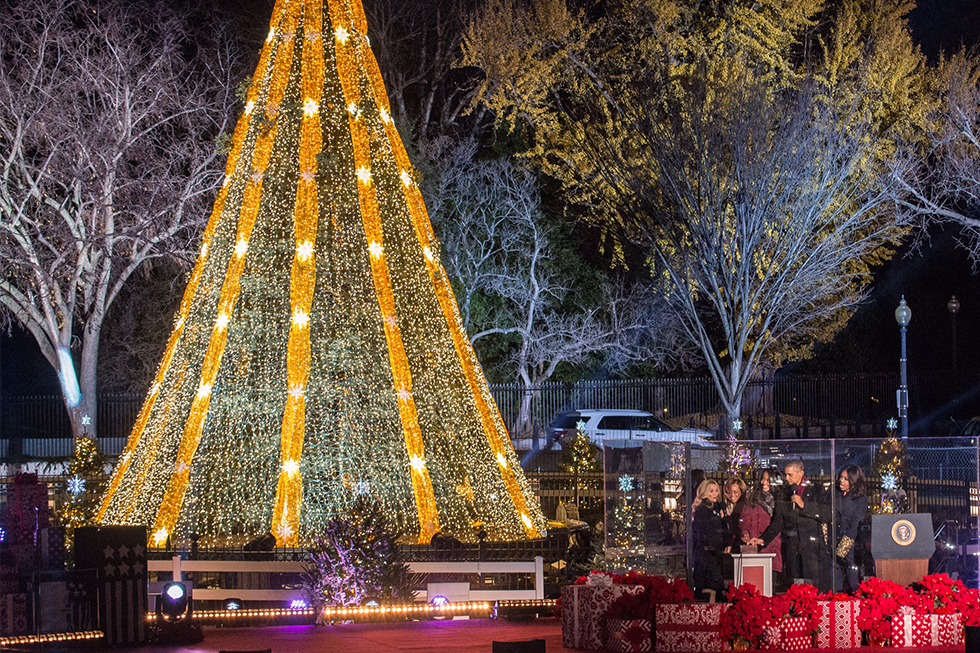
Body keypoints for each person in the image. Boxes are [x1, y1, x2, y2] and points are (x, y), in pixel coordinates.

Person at [748, 459, 832, 591]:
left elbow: (827, 513)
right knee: (795, 587)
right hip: (792, 549)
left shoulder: (816, 490)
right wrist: (763, 539)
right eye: (786, 474)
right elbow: (778, 522)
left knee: (815, 586)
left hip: (812, 550)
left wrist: (804, 506)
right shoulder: (784, 493)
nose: (787, 478)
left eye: (790, 475)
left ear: (801, 473)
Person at [692, 479, 731, 601]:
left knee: (717, 584)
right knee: (714, 583)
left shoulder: (716, 509)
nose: (715, 494)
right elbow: (703, 534)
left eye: (716, 491)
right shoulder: (702, 510)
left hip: (715, 554)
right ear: (704, 493)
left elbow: (724, 529)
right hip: (706, 554)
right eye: (711, 491)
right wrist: (713, 545)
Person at [739, 471, 783, 574]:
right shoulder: (753, 499)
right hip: (754, 549)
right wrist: (745, 533)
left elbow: (778, 525)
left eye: (768, 480)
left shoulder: (780, 501)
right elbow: (745, 519)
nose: (764, 482)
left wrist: (763, 540)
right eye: (763, 479)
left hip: (772, 550)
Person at [835, 465, 868, 593]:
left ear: (853, 481)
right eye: (841, 478)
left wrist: (843, 547)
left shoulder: (860, 499)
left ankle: (855, 592)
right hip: (833, 535)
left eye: (846, 479)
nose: (841, 481)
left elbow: (855, 524)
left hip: (849, 537)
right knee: (834, 566)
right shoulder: (835, 494)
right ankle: (835, 594)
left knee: (848, 564)